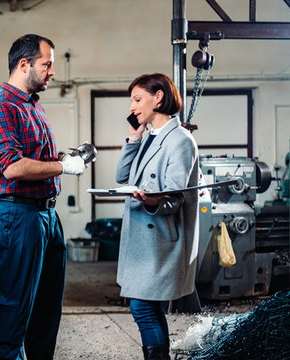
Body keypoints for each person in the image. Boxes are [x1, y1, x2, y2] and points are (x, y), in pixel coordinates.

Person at [0, 34, 85, 360]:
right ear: (24, 65)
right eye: (46, 64)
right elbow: (12, 168)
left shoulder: (33, 107)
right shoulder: (0, 109)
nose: (52, 71)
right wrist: (63, 166)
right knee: (13, 307)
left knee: (46, 309)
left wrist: (63, 160)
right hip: (18, 217)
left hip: (46, 217)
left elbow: (37, 160)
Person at [114, 73, 200, 360]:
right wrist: (133, 137)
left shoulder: (180, 141)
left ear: (158, 97)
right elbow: (122, 177)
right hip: (143, 240)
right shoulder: (149, 138)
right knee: (148, 306)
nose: (133, 108)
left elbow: (174, 199)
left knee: (141, 306)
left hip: (161, 240)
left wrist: (152, 200)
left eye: (138, 100)